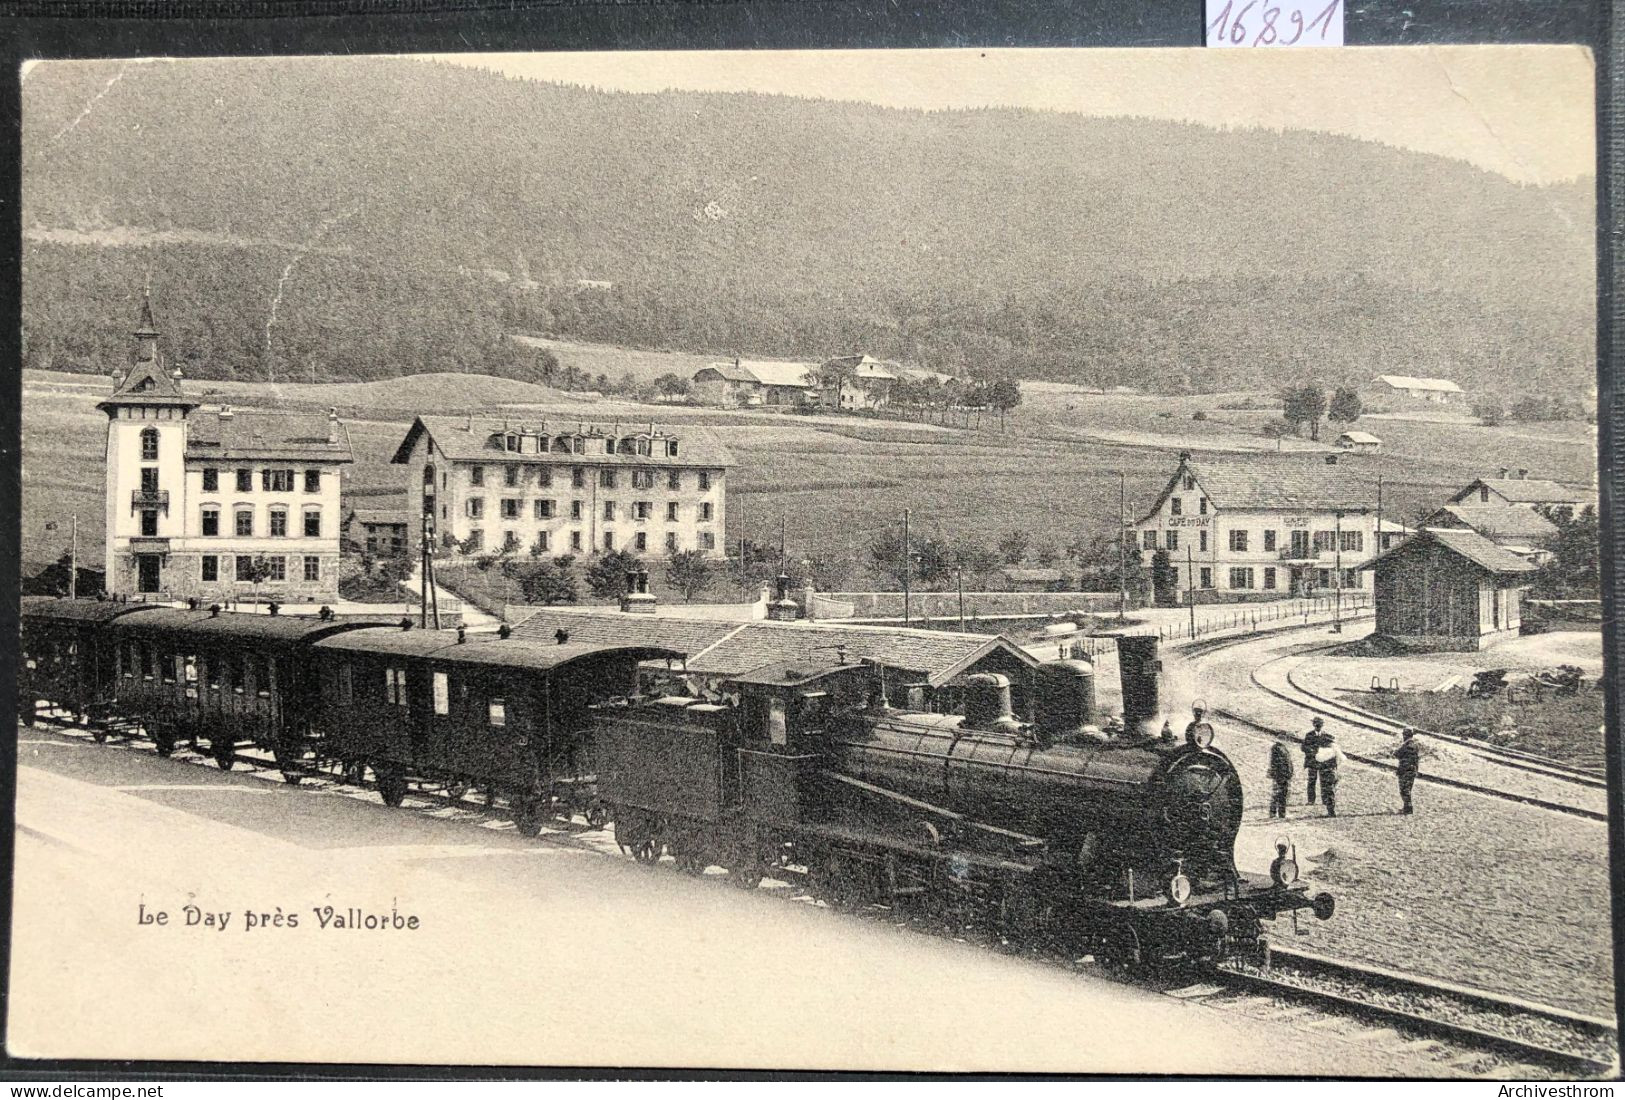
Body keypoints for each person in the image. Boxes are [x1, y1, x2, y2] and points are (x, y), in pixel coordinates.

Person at [1316, 729, 1344, 817]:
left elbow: (1318, 758)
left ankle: (1330, 811)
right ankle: (1331, 810)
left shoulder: (1322, 749)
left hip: (1324, 773)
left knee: (1327, 791)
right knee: (1331, 790)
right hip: (1333, 771)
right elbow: (1343, 758)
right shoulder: (1335, 748)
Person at [1395, 727, 1422, 814]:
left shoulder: (1406, 745)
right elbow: (1417, 759)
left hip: (1405, 770)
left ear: (1406, 735)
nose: (1403, 736)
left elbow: (1397, 754)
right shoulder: (1415, 745)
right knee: (1408, 789)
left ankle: (1408, 808)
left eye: (1404, 734)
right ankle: (1407, 808)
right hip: (1412, 770)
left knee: (1404, 790)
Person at [1301, 716, 1328, 804]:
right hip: (1312, 762)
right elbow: (1303, 747)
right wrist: (1312, 752)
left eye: (1320, 725)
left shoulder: (1326, 736)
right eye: (1317, 725)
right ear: (1314, 725)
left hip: (1322, 762)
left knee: (1324, 781)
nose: (1318, 727)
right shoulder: (1309, 735)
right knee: (1312, 781)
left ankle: (1325, 800)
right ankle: (1311, 800)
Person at [1267, 736, 1295, 818]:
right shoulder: (1276, 748)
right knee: (1278, 794)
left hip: (1284, 775)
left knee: (1283, 794)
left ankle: (1281, 813)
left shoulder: (1282, 747)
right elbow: (1275, 763)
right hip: (1280, 775)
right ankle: (1274, 813)